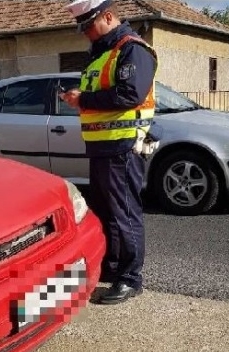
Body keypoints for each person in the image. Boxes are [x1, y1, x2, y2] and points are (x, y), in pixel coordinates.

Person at [61, 0, 158, 304]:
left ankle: (130, 279)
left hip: (124, 147)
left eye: (89, 26)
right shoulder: (102, 53)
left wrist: (84, 99)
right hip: (103, 147)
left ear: (108, 16)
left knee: (125, 213)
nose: (86, 33)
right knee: (107, 213)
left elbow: (130, 93)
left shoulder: (132, 49)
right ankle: (113, 269)